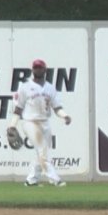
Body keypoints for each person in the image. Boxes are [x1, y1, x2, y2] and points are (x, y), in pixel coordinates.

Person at [9, 58, 70, 187]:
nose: (37, 69)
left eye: (40, 67)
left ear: (44, 70)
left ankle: (31, 180)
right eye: (35, 67)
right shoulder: (25, 87)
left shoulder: (50, 88)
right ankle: (55, 179)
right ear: (32, 70)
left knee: (41, 153)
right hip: (30, 122)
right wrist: (12, 125)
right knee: (43, 151)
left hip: (45, 122)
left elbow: (57, 107)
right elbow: (18, 108)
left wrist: (64, 116)